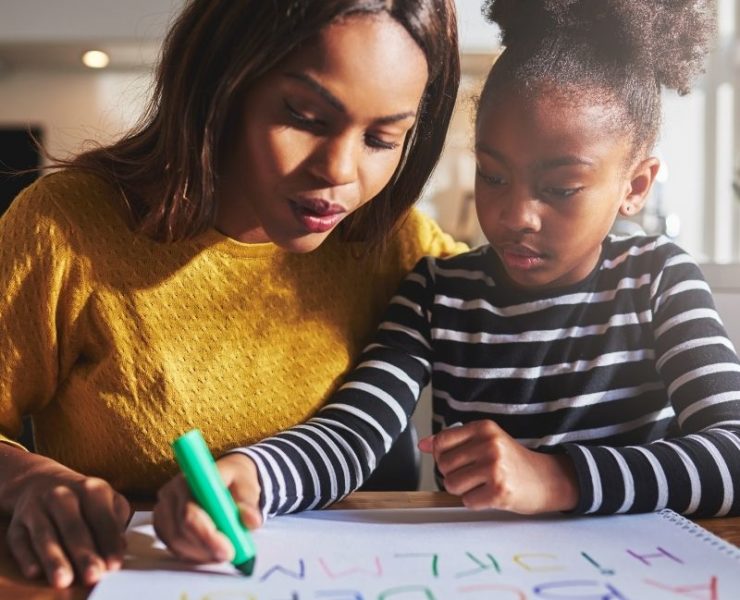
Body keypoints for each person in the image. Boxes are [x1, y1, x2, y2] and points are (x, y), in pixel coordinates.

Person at [155, 0, 740, 565]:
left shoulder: (658, 280)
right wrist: (256, 475)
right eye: (492, 174)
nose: (515, 215)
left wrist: (556, 478)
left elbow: (732, 454)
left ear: (636, 186)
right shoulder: (439, 291)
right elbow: (355, 432)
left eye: (560, 189)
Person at [0, 0, 465, 589]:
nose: (340, 171)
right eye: (304, 117)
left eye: (382, 137)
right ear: (223, 86)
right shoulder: (65, 226)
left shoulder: (393, 243)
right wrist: (28, 480)